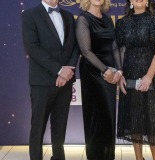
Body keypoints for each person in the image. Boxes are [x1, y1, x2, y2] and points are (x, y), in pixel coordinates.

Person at [22, 0, 80, 159]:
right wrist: (59, 70)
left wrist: (68, 70)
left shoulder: (68, 16)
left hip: (66, 82)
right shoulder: (29, 15)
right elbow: (32, 47)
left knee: (60, 127)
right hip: (42, 82)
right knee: (38, 128)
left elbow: (76, 46)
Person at [115, 0, 155, 159]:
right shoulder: (122, 23)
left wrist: (148, 77)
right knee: (134, 119)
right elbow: (119, 50)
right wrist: (120, 75)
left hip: (152, 77)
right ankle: (139, 158)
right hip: (129, 76)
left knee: (153, 120)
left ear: (147, 1)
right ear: (130, 1)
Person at [75, 0, 122, 159]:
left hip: (109, 75)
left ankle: (109, 156)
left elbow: (114, 46)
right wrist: (105, 70)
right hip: (93, 74)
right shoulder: (83, 19)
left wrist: (120, 70)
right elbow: (86, 51)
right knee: (96, 120)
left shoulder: (108, 19)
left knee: (108, 118)